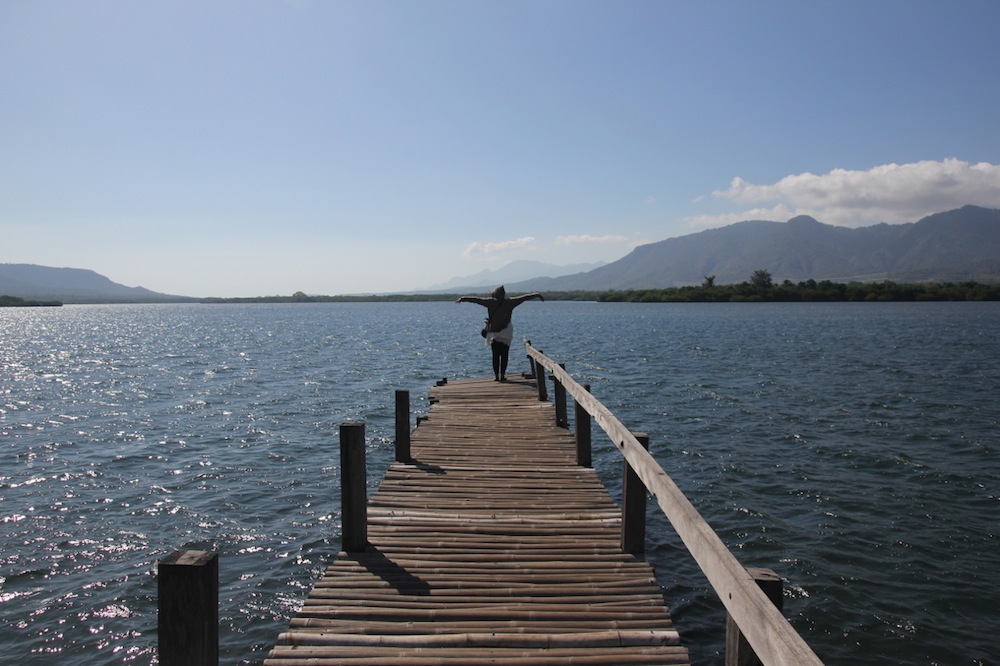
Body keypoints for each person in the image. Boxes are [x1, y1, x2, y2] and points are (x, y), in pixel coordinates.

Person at [456, 285, 544, 382]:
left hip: (494, 333)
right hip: (506, 332)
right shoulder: (510, 302)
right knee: (505, 355)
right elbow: (524, 297)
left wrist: (463, 298)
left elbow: (476, 300)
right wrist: (536, 295)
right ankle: (502, 375)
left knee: (495, 355)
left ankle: (496, 376)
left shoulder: (490, 302)